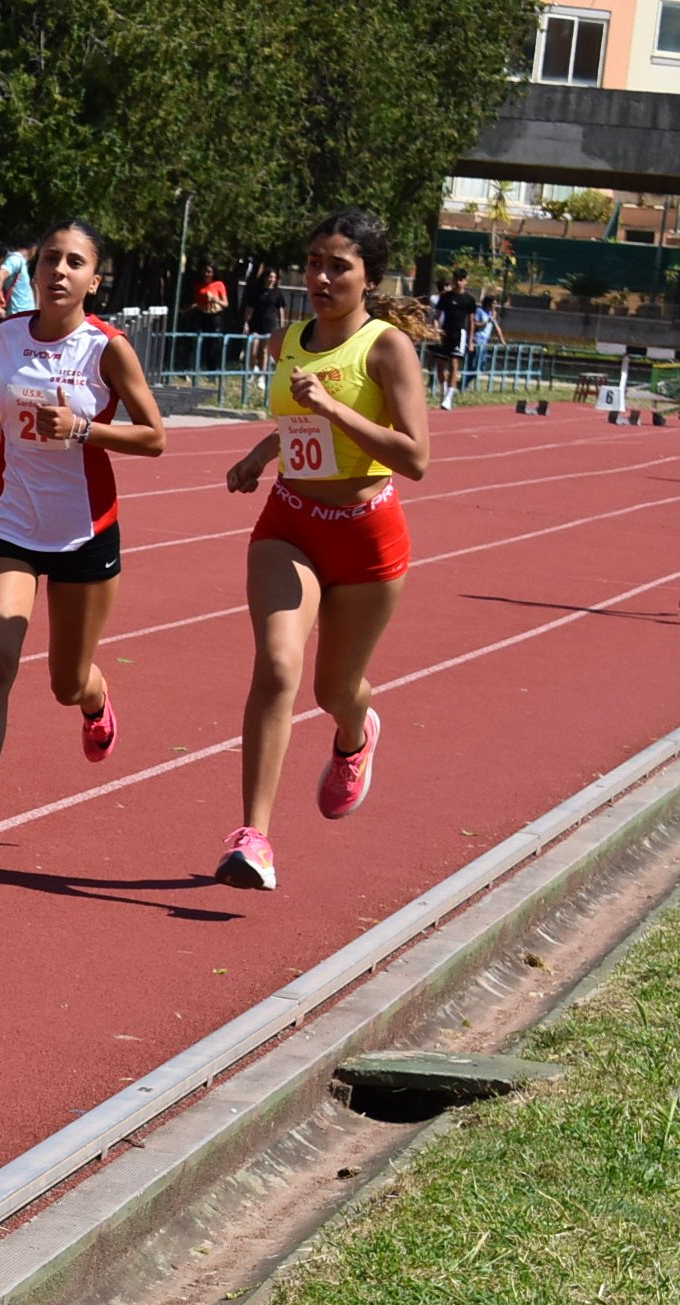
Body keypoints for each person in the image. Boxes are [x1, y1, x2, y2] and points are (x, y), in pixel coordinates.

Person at [0, 221, 167, 853]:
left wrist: (83, 428)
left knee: (66, 681)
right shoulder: (9, 332)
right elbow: (9, 399)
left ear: (94, 280)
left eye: (75, 262)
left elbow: (155, 436)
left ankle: (94, 698)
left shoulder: (107, 348)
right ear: (34, 271)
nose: (59, 270)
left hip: (84, 531)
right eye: (50, 259)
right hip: (12, 522)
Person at [213, 208, 431, 892]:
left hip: (367, 536)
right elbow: (295, 423)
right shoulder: (288, 340)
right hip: (290, 525)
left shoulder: (387, 348)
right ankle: (253, 838)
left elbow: (416, 457)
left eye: (339, 266)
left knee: (334, 689)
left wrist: (335, 409)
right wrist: (261, 452)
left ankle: (354, 733)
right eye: (314, 263)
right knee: (278, 665)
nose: (322, 277)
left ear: (369, 277)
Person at [433, 268, 476, 409]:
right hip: (445, 333)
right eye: (456, 279)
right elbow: (437, 316)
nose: (458, 282)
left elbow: (471, 321)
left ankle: (449, 397)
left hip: (459, 334)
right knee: (440, 365)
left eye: (461, 280)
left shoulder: (469, 300)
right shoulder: (445, 297)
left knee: (454, 363)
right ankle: (444, 389)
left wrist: (470, 341)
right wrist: (437, 331)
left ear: (465, 281)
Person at [242, 265, 288, 393]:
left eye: (274, 277)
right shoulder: (256, 291)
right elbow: (249, 308)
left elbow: (281, 310)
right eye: (270, 276)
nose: (271, 279)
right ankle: (252, 370)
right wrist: (245, 323)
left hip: (270, 325)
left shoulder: (277, 293)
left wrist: (282, 326)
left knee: (265, 351)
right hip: (256, 324)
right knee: (253, 350)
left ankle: (262, 376)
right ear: (264, 277)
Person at [467, 292, 505, 389]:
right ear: (488, 303)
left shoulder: (492, 314)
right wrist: (486, 322)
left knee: (482, 366)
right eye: (494, 303)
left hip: (484, 343)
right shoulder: (480, 311)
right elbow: (474, 324)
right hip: (477, 341)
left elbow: (497, 328)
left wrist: (503, 341)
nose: (495, 305)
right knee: (473, 365)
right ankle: (464, 383)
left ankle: (464, 382)